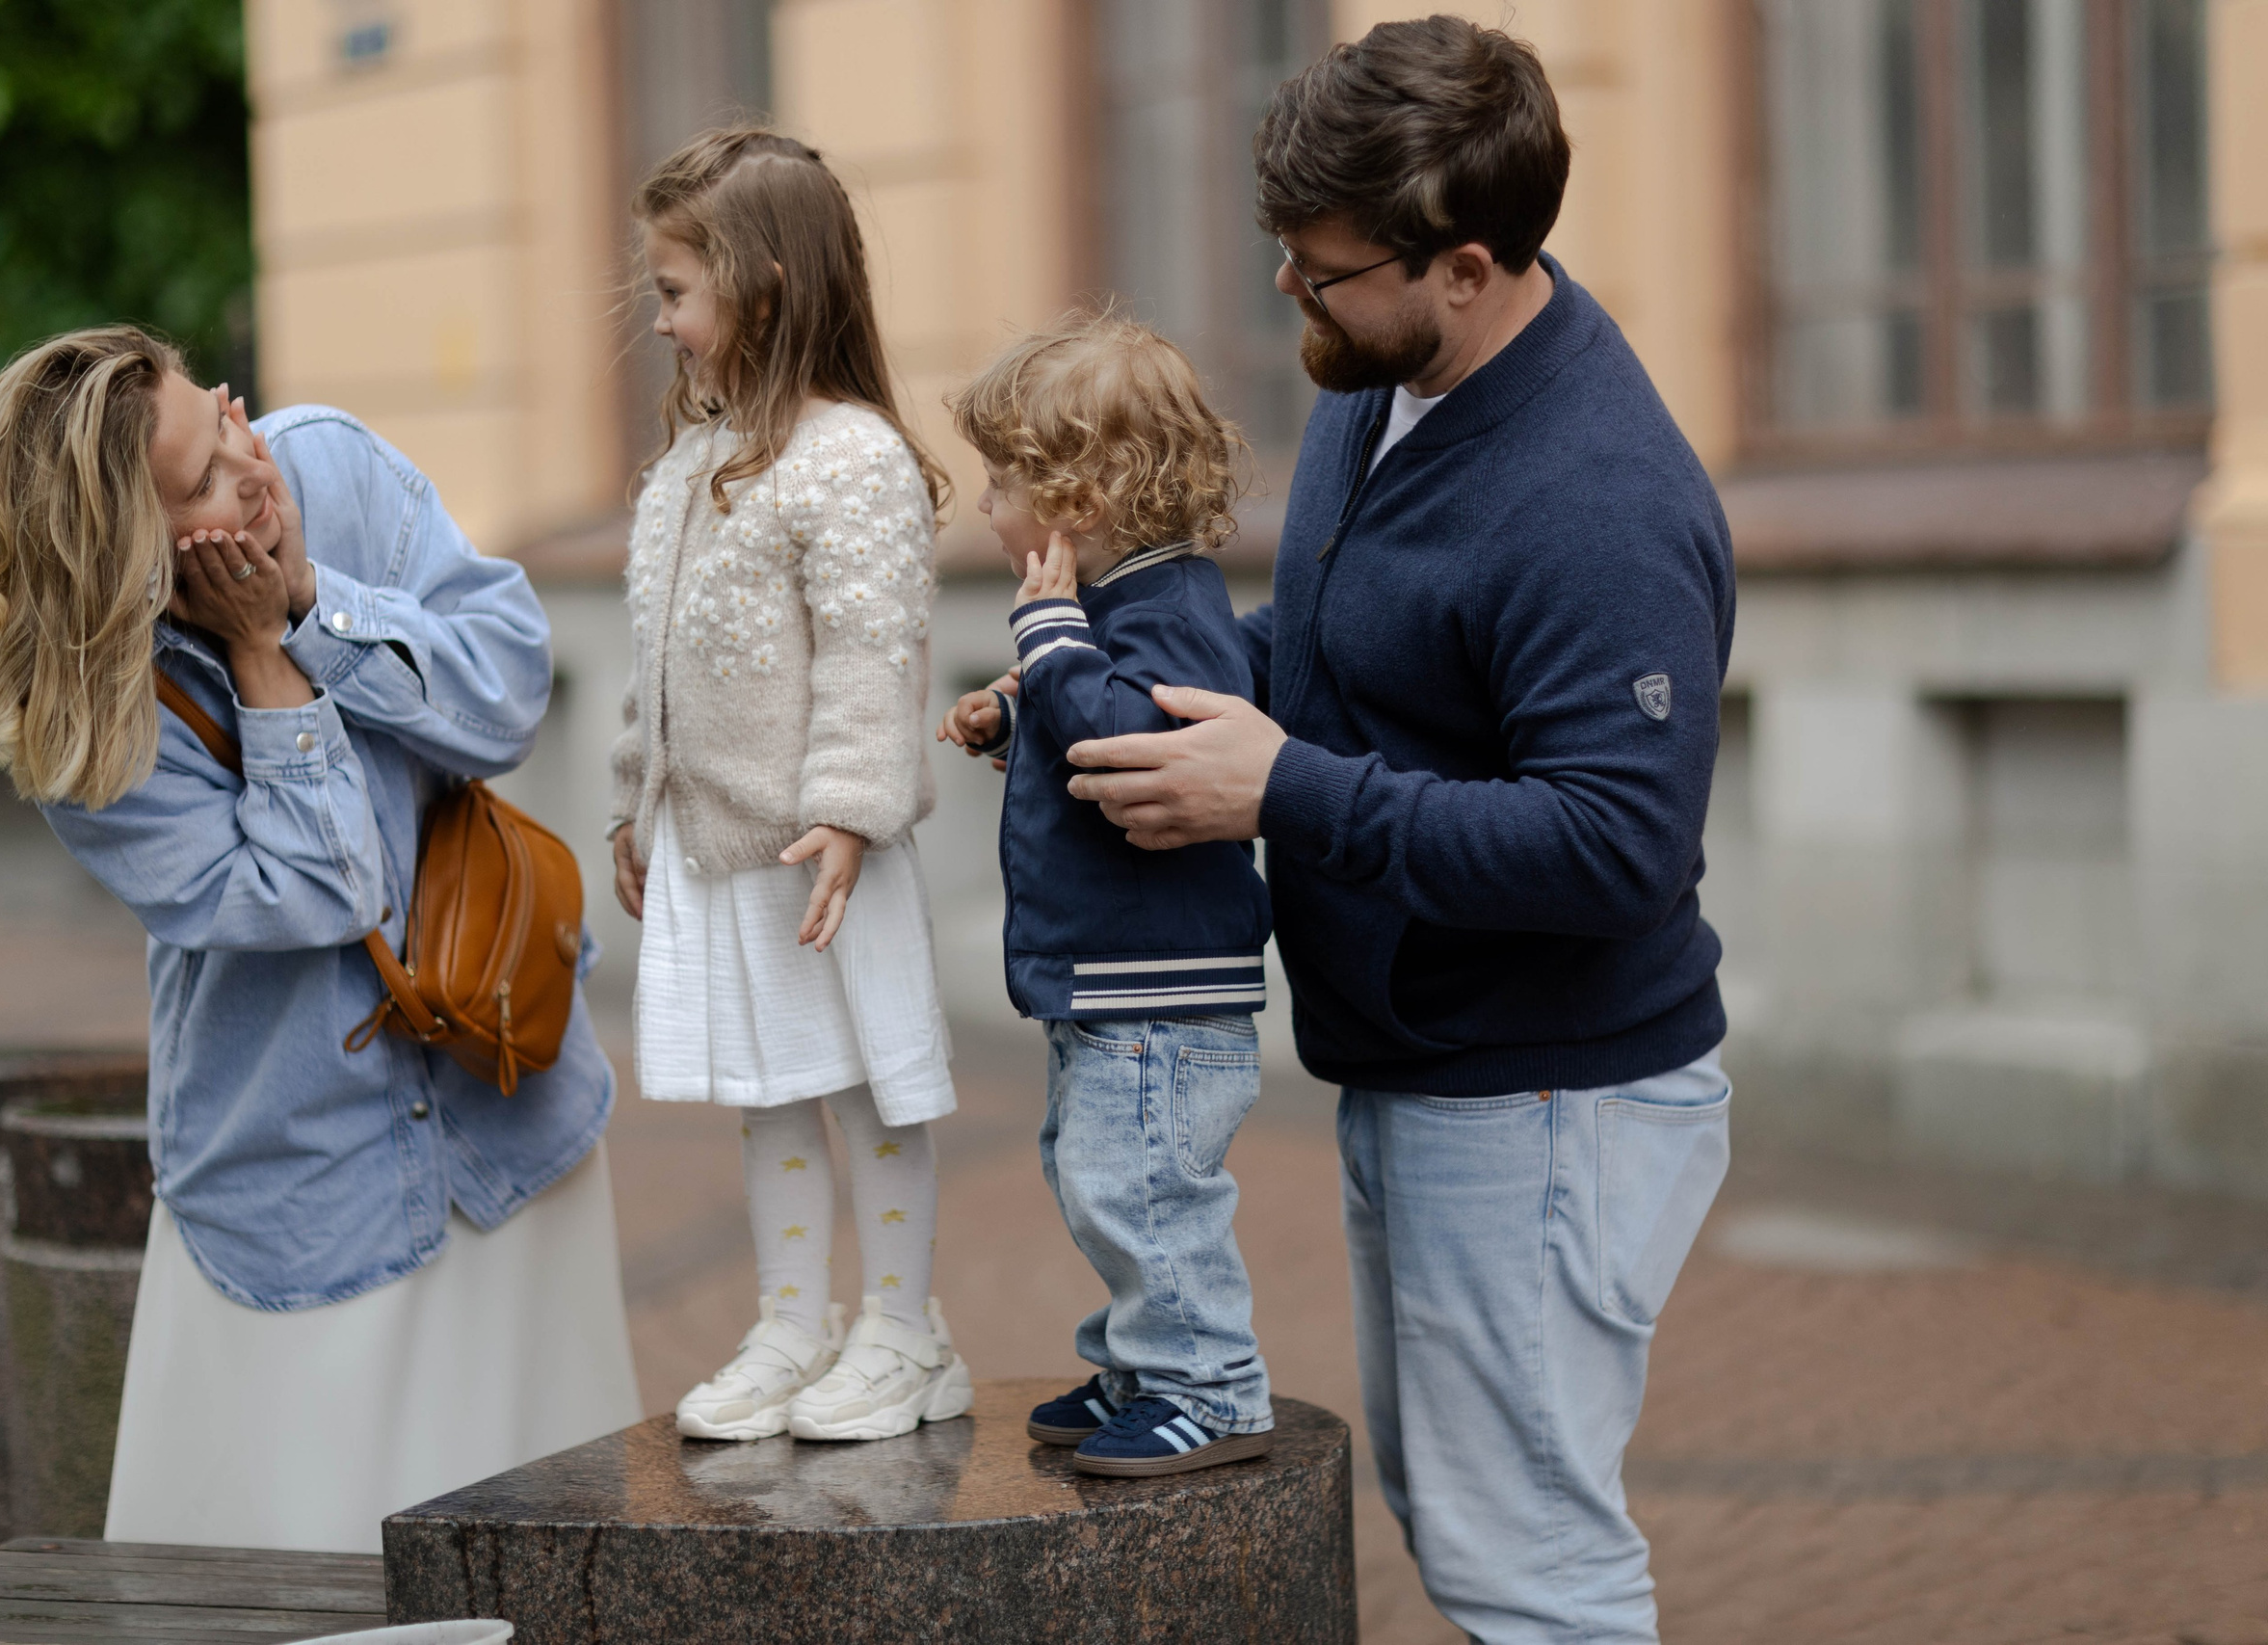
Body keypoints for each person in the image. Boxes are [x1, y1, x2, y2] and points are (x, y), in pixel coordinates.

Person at [1061, 18, 1736, 1641]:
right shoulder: (1387, 385)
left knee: (1533, 1568)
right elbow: (1351, 660)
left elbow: (1613, 847)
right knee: (1468, 1525)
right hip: (1441, 1074)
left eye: (1327, 266)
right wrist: (1095, 685)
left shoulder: (1596, 503)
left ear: (1469, 264)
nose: (1293, 291)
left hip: (1550, 1103)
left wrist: (1279, 790)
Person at [0, 326, 640, 1554]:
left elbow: (510, 693)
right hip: (305, 1178)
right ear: (129, 557)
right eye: (203, 482)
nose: (252, 470)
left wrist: (313, 601)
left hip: (507, 1104)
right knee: (310, 1580)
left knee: (562, 1558)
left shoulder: (329, 469)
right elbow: (322, 891)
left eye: (224, 416)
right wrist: (262, 658)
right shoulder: (84, 719)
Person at [608, 127, 970, 1445]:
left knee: (869, 1084)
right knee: (769, 1086)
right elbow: (654, 656)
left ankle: (902, 1330)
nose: (663, 322)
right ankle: (790, 1320)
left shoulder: (851, 456)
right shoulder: (689, 467)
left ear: (760, 289)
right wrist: (633, 796)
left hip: (827, 850)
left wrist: (855, 809)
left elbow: (876, 650)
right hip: (720, 845)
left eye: (676, 292)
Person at [936, 312, 1276, 1477]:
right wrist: (1019, 702)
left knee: (1142, 1187)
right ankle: (1144, 1362)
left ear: (1077, 501)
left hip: (1160, 990)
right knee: (1100, 1180)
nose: (984, 506)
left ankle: (1210, 1388)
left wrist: (1050, 647)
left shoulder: (1169, 608)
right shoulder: (1122, 611)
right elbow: (1087, 710)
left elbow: (1131, 737)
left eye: (1001, 480)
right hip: (1112, 977)